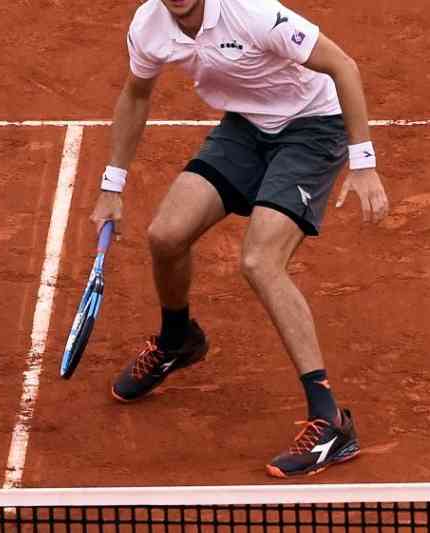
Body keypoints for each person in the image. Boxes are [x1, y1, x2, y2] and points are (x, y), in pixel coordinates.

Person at [90, 0, 388, 477]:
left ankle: (331, 421)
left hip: (312, 127)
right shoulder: (150, 25)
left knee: (260, 261)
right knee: (165, 236)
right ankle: (177, 340)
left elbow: (342, 65)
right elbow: (136, 94)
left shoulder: (251, 12)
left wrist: (364, 161)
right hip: (247, 127)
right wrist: (111, 186)